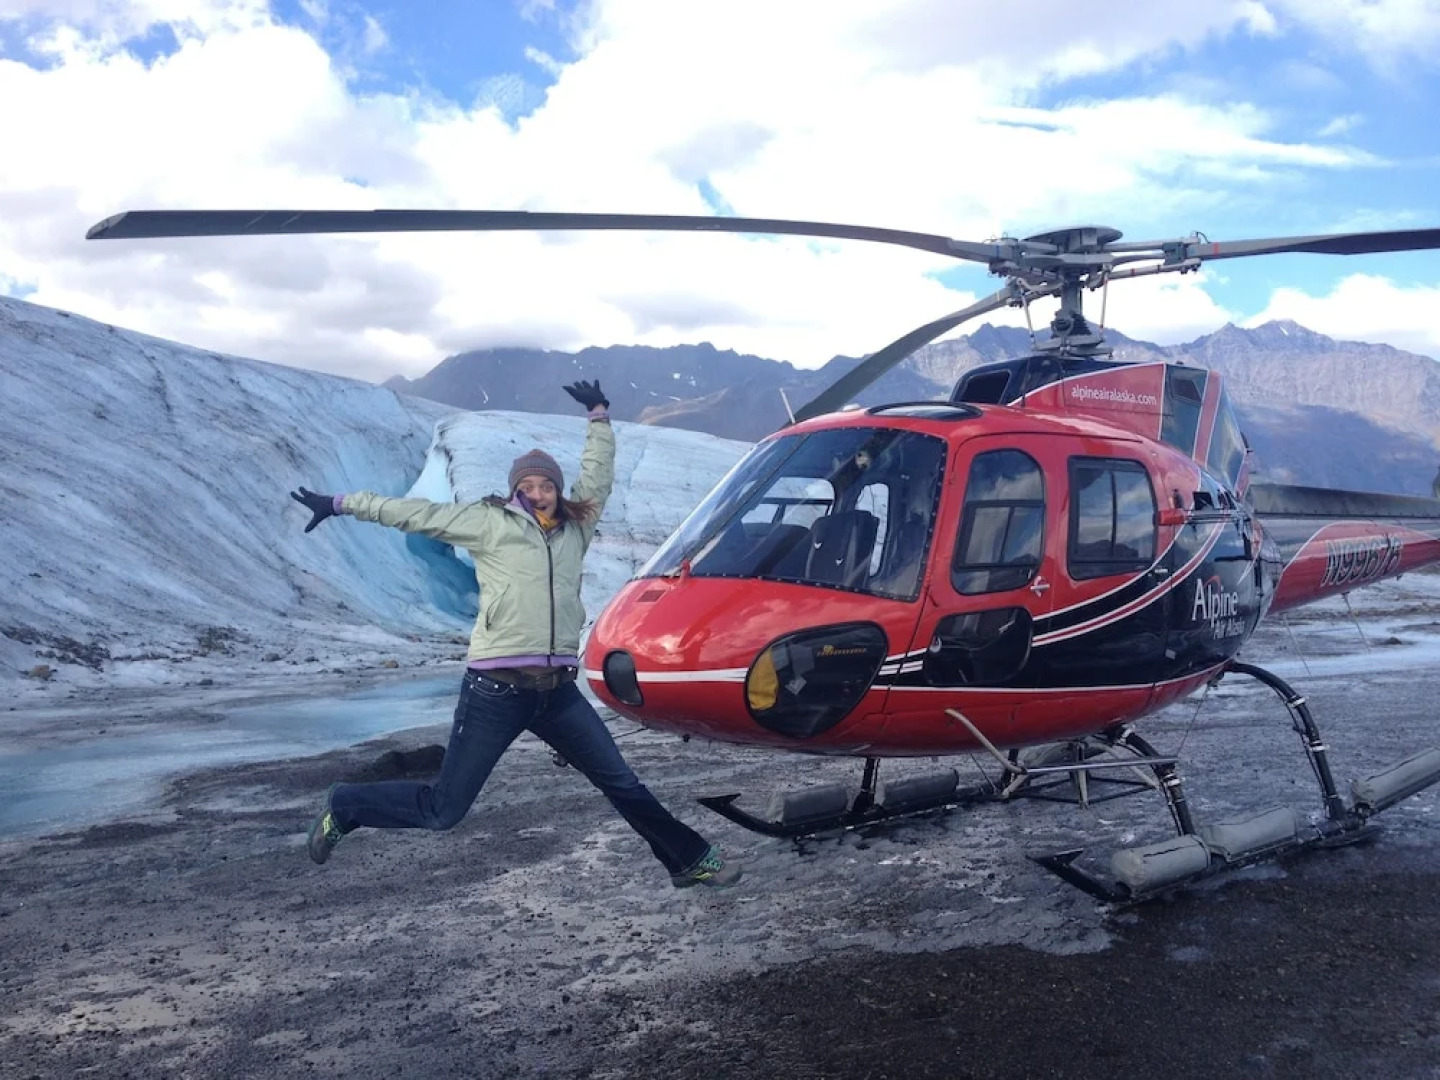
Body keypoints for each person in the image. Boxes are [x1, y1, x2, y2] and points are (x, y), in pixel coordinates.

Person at [289, 380, 740, 889]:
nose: (538, 493)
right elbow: (416, 513)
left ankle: (687, 859)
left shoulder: (576, 528)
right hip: (495, 691)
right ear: (515, 490)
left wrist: (598, 416)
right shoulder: (489, 524)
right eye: (527, 486)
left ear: (556, 488)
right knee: (444, 809)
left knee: (621, 782)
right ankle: (346, 805)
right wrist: (344, 502)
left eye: (545, 485)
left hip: (557, 694)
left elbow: (600, 476)